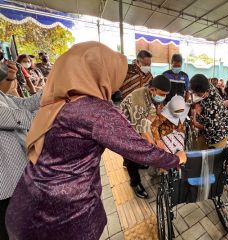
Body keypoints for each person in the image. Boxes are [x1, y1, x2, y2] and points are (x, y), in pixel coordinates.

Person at [5, 42, 186, 240]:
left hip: (26, 204)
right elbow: (139, 148)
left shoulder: (58, 101)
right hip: (62, 216)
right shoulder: (95, 111)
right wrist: (175, 159)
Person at [0, 61, 41, 240]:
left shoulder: (1, 95)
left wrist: (54, 89)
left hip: (17, 178)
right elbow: (16, 117)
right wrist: (51, 111)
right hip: (4, 187)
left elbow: (25, 103)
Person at [120, 75, 172, 198]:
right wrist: (155, 145)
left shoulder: (152, 95)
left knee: (143, 148)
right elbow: (142, 130)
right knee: (131, 153)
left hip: (138, 122)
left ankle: (135, 163)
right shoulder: (139, 99)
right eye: (162, 94)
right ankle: (135, 183)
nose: (163, 97)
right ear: (153, 89)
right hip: (125, 127)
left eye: (166, 95)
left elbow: (154, 114)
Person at [190, 74, 228, 149]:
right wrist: (197, 104)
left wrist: (195, 121)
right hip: (206, 128)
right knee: (201, 151)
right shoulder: (206, 85)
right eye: (194, 93)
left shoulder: (213, 106)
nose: (195, 95)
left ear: (204, 91)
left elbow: (212, 128)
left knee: (211, 158)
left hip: (218, 134)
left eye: (198, 94)